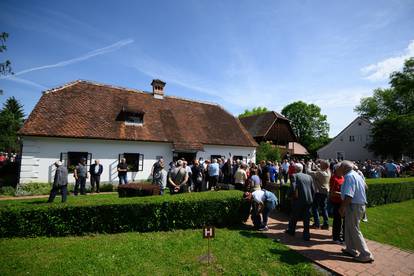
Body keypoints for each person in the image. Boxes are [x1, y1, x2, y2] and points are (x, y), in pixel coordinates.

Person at [337, 160, 374, 263]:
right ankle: (351, 249)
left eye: (339, 167)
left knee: (354, 229)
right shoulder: (356, 175)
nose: (338, 169)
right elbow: (365, 187)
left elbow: (349, 195)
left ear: (344, 168)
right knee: (349, 227)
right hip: (358, 205)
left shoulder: (349, 176)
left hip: (353, 205)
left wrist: (342, 207)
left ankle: (366, 254)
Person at [285, 163, 314, 241]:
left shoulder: (294, 176)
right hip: (308, 200)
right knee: (306, 218)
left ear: (295, 169)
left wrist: (288, 195)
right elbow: (312, 189)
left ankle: (291, 231)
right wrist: (311, 198)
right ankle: (306, 234)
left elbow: (293, 187)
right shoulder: (309, 177)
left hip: (298, 200)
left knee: (294, 215)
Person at [308, 159, 331, 229]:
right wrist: (316, 165)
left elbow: (309, 172)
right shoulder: (328, 172)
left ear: (323, 166)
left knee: (314, 208)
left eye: (321, 164)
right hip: (326, 192)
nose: (319, 164)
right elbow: (321, 169)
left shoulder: (320, 173)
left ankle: (317, 224)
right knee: (324, 208)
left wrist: (309, 164)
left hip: (319, 192)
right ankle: (326, 224)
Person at [329, 165, 345, 243]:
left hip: (344, 202)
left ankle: (342, 236)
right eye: (341, 169)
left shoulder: (343, 177)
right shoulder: (334, 178)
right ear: (337, 170)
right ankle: (336, 237)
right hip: (337, 202)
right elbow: (332, 193)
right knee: (337, 220)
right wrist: (344, 194)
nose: (343, 170)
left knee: (344, 220)